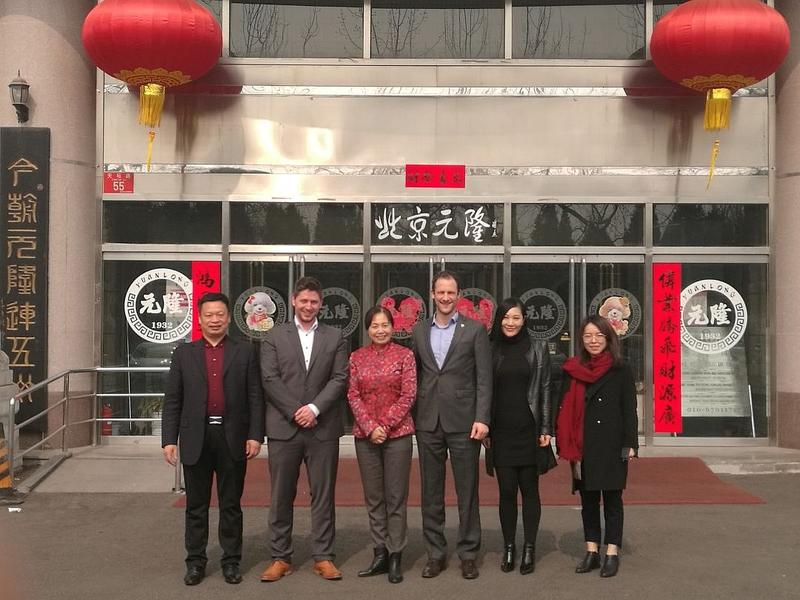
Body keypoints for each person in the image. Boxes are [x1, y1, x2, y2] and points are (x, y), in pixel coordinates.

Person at [162, 292, 265, 586]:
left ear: (229, 317)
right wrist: (169, 439)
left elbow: (255, 397)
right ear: (199, 318)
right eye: (209, 315)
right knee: (196, 505)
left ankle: (231, 561)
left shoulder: (245, 351)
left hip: (233, 436)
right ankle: (195, 562)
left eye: (220, 314)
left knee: (231, 504)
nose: (215, 320)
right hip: (197, 435)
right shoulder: (185, 354)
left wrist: (255, 435)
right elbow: (173, 399)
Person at [259, 276, 348, 582]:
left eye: (314, 301)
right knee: (281, 494)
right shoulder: (274, 336)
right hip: (285, 427)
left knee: (323, 495)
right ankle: (280, 557)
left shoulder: (335, 337)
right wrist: (297, 411)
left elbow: (339, 378)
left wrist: (314, 409)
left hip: (322, 427)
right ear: (294, 300)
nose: (309, 306)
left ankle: (323, 556)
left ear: (320, 304)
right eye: (304, 301)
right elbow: (269, 379)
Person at [411, 271, 492, 580]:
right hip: (428, 420)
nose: (446, 297)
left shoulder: (474, 330)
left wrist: (482, 417)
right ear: (432, 294)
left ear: (459, 295)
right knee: (430, 492)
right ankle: (435, 552)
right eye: (440, 292)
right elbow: (416, 375)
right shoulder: (419, 331)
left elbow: (484, 378)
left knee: (467, 491)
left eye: (451, 292)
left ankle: (469, 553)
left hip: (464, 422)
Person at [555, 315, 638, 578]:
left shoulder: (620, 368)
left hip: (612, 443)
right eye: (588, 336)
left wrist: (630, 443)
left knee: (613, 500)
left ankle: (611, 552)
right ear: (581, 339)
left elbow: (629, 408)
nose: (593, 341)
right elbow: (563, 406)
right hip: (583, 445)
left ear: (608, 338)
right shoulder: (573, 368)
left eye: (598, 336)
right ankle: (591, 551)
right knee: (588, 501)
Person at [348, 306, 417, 584]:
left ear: (393, 326)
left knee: (395, 498)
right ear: (368, 329)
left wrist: (385, 426)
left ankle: (396, 553)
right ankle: (379, 552)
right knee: (374, 497)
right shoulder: (356, 357)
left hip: (398, 435)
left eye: (385, 325)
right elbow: (352, 394)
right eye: (375, 326)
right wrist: (369, 427)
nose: (380, 330)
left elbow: (409, 393)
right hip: (366, 437)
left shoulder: (405, 355)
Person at [486, 297, 553, 575]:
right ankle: (510, 546)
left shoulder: (537, 347)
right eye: (506, 317)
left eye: (516, 317)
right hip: (500, 431)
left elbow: (546, 388)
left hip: (529, 430)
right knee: (506, 492)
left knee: (530, 491)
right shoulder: (490, 349)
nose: (511, 323)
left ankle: (529, 547)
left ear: (524, 319)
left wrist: (546, 428)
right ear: (498, 320)